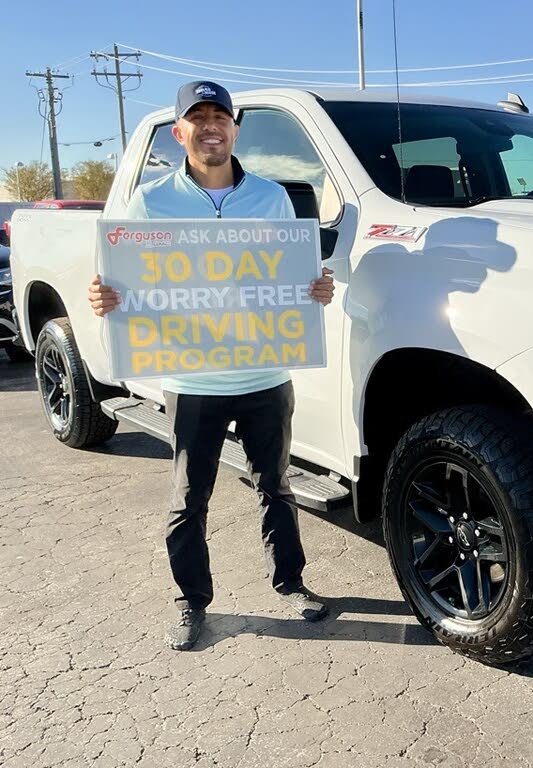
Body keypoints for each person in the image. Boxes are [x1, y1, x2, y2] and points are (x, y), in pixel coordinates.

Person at [88, 80, 336, 651]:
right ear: (179, 134)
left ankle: (291, 584)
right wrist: (107, 299)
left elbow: (291, 278)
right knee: (188, 497)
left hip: (264, 375)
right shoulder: (150, 202)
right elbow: (126, 280)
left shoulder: (273, 198)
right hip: (191, 379)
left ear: (235, 129)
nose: (210, 126)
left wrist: (314, 290)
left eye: (219, 116)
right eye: (197, 117)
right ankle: (191, 602)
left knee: (275, 487)